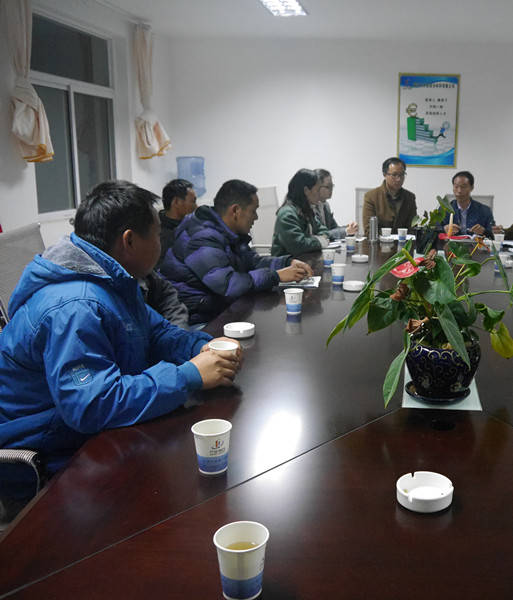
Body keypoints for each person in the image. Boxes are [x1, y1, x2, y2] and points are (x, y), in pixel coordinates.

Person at [0, 180, 241, 492]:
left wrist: (203, 347)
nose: (161, 243)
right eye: (157, 234)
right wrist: (187, 376)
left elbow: (157, 333)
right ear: (129, 241)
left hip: (84, 435)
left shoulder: (112, 280)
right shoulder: (75, 307)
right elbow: (91, 405)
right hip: (47, 458)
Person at [161, 179, 313, 326]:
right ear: (235, 211)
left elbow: (254, 262)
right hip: (198, 319)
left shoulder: (228, 233)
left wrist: (286, 262)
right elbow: (229, 285)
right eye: (253, 211)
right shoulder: (202, 237)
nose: (256, 217)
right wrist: (276, 276)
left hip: (220, 309)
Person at [271, 169, 331, 256]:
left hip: (306, 260)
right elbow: (298, 245)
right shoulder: (287, 214)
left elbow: (323, 230)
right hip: (287, 263)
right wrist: (319, 241)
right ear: (306, 190)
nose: (320, 194)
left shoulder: (307, 210)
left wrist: (312, 239)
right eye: (318, 190)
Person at [362, 157, 417, 238]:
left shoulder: (410, 197)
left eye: (402, 175)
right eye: (394, 175)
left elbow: (413, 228)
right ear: (384, 175)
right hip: (378, 243)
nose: (398, 179)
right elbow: (369, 230)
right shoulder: (371, 196)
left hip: (403, 243)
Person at [439, 171, 495, 238]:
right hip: (451, 244)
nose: (459, 191)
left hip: (476, 244)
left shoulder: (484, 211)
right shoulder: (445, 209)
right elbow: (433, 230)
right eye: (456, 187)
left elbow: (492, 234)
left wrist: (483, 231)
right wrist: (444, 229)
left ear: (471, 188)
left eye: (463, 187)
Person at [158, 179, 197, 265]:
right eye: (193, 201)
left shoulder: (192, 226)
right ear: (176, 202)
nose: (196, 206)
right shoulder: (161, 238)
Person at [314, 168, 358, 240]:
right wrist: (346, 231)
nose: (331, 189)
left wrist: (350, 228)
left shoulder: (326, 206)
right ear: (317, 187)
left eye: (332, 186)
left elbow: (334, 228)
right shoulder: (310, 207)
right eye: (328, 186)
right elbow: (321, 234)